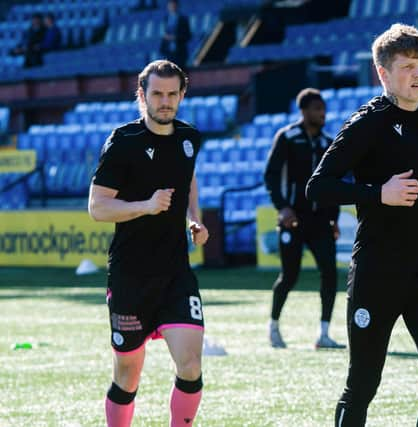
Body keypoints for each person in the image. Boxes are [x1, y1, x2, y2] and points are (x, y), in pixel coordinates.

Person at [307, 24, 418, 426]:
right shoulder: (368, 122)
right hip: (378, 272)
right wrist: (378, 192)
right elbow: (318, 188)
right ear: (383, 73)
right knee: (362, 384)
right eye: (407, 66)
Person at [88, 60, 208, 426]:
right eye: (157, 93)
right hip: (130, 276)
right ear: (142, 95)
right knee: (128, 374)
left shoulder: (189, 138)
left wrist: (194, 217)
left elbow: (188, 180)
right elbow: (97, 207)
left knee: (190, 366)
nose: (165, 101)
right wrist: (146, 205)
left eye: (173, 94)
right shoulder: (123, 142)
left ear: (182, 94)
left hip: (176, 273)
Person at [264, 88, 343, 349]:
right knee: (289, 275)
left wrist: (333, 219)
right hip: (292, 219)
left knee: (330, 274)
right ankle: (273, 327)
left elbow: (333, 183)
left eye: (323, 109)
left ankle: (324, 334)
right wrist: (282, 208)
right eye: (317, 109)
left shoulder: (328, 143)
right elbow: (271, 177)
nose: (322, 114)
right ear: (304, 111)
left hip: (320, 220)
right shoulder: (287, 138)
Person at [159, 0, 192, 70]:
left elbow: (188, 36)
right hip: (168, 53)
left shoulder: (183, 20)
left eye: (174, 5)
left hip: (180, 53)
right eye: (170, 5)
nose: (172, 7)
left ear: (177, 6)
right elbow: (163, 35)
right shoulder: (165, 19)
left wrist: (175, 38)